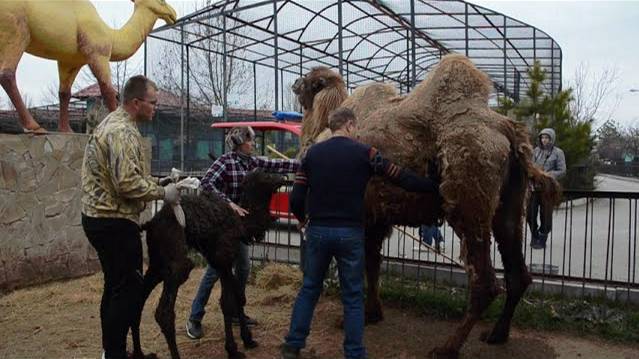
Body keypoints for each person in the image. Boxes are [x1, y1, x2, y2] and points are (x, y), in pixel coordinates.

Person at [280, 107, 439, 359]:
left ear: (332, 126)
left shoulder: (311, 155)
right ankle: (354, 352)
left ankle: (293, 344)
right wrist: (432, 185)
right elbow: (400, 177)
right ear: (351, 125)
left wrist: (302, 221)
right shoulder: (365, 153)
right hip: (351, 233)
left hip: (319, 231)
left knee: (309, 288)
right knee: (353, 295)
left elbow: (297, 197)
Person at [81, 75, 181, 359]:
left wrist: (155, 185)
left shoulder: (116, 124)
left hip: (101, 218)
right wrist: (164, 194)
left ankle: (111, 351)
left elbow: (128, 177)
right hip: (112, 221)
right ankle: (114, 354)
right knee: (127, 289)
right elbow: (126, 183)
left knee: (115, 286)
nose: (155, 108)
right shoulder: (122, 132)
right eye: (153, 103)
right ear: (136, 103)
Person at [185, 126, 300, 339]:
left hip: (238, 227)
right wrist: (230, 204)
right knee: (215, 270)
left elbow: (279, 164)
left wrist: (308, 162)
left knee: (244, 266)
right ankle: (194, 317)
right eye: (251, 140)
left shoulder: (253, 162)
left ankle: (236, 311)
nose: (254, 143)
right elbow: (206, 183)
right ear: (240, 142)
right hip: (220, 225)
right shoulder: (225, 162)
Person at [528, 127, 566, 249]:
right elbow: (530, 166)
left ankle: (543, 236)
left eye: (547, 138)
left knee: (546, 215)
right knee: (530, 214)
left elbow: (562, 170)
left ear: (551, 139)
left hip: (548, 188)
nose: (544, 140)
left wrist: (548, 175)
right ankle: (534, 234)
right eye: (542, 137)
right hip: (534, 188)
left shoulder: (558, 152)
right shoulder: (535, 151)